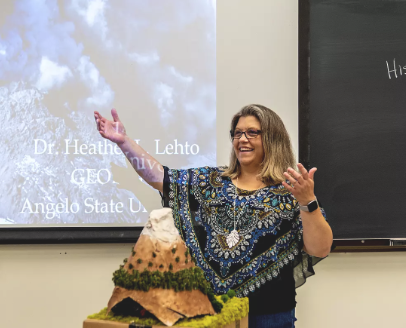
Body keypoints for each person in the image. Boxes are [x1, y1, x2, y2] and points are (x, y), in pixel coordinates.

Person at [94, 104, 333, 328]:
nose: (242, 139)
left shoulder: (293, 191)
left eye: (252, 132)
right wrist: (124, 142)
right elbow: (161, 178)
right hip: (213, 312)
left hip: (270, 315)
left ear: (273, 138)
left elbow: (319, 249)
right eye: (237, 133)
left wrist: (307, 202)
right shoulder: (211, 182)